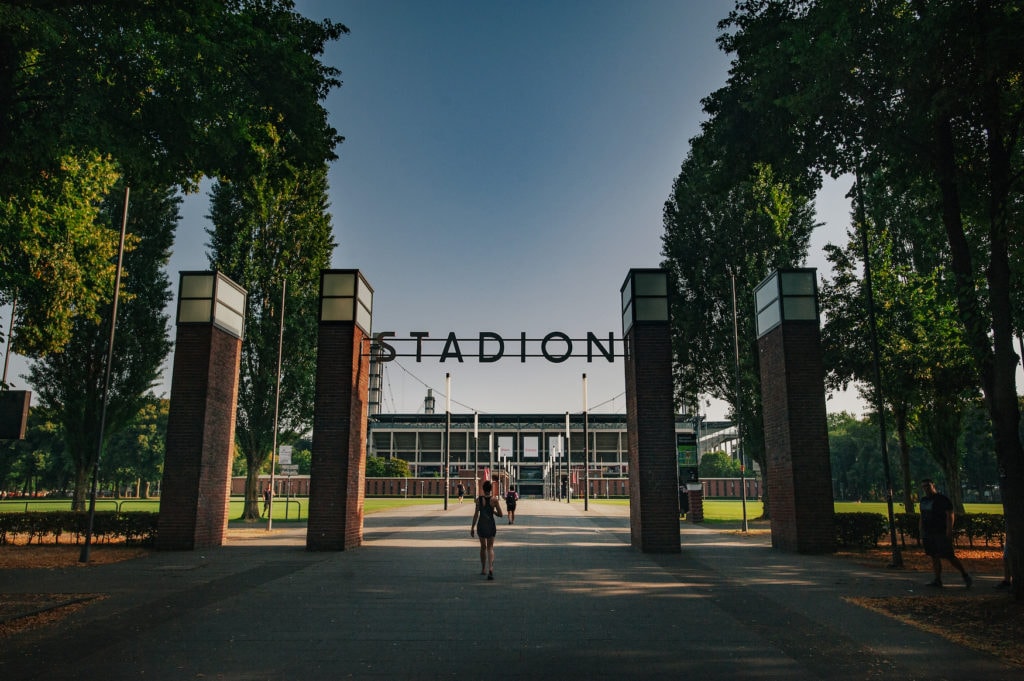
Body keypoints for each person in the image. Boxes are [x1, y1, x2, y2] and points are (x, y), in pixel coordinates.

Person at [919, 479, 971, 588]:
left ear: (933, 485)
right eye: (923, 486)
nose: (926, 488)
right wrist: (921, 530)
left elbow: (950, 515)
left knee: (949, 556)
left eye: (928, 486)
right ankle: (937, 580)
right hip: (928, 532)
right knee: (934, 556)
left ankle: (965, 575)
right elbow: (922, 516)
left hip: (940, 531)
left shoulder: (942, 499)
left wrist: (949, 530)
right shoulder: (923, 500)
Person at [470, 479, 503, 580]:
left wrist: (472, 527)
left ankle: (483, 569)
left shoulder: (479, 500)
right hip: (491, 525)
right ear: (491, 489)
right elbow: (501, 514)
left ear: (483, 489)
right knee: (490, 548)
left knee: (483, 547)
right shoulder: (494, 500)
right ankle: (491, 568)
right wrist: (493, 512)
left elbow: (476, 514)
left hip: (481, 525)